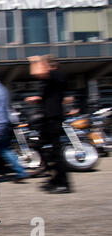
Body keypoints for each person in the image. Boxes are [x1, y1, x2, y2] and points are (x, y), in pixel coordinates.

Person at [26, 55, 72, 194]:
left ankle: (63, 184)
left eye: (45, 65)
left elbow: (37, 72)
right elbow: (51, 96)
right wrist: (38, 99)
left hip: (54, 118)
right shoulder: (52, 79)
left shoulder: (57, 74)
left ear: (51, 66)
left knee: (56, 152)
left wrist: (35, 61)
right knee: (41, 147)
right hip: (48, 118)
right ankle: (55, 178)